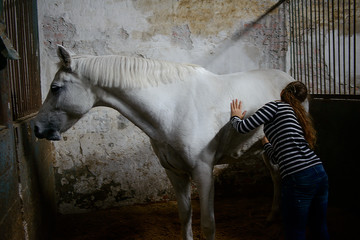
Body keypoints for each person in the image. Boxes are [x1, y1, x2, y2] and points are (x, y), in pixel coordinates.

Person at [230, 81, 329, 240]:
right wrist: (267, 144)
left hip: (298, 178)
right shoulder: (297, 114)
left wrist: (235, 116)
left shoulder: (275, 106)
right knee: (319, 227)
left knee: (294, 231)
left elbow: (242, 128)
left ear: (283, 91)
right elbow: (277, 158)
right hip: (318, 171)